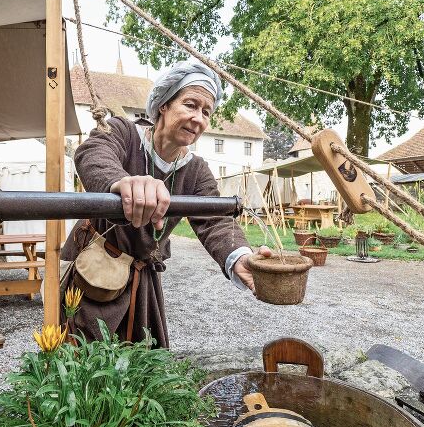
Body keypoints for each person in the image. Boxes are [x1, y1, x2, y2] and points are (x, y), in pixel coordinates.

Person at [60, 60, 270, 348]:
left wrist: (240, 257)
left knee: (142, 364)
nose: (198, 118)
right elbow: (93, 152)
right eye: (191, 105)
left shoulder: (195, 170)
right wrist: (122, 181)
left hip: (142, 280)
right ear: (163, 105)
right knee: (83, 362)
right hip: (95, 272)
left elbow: (216, 219)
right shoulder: (124, 131)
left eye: (206, 111)